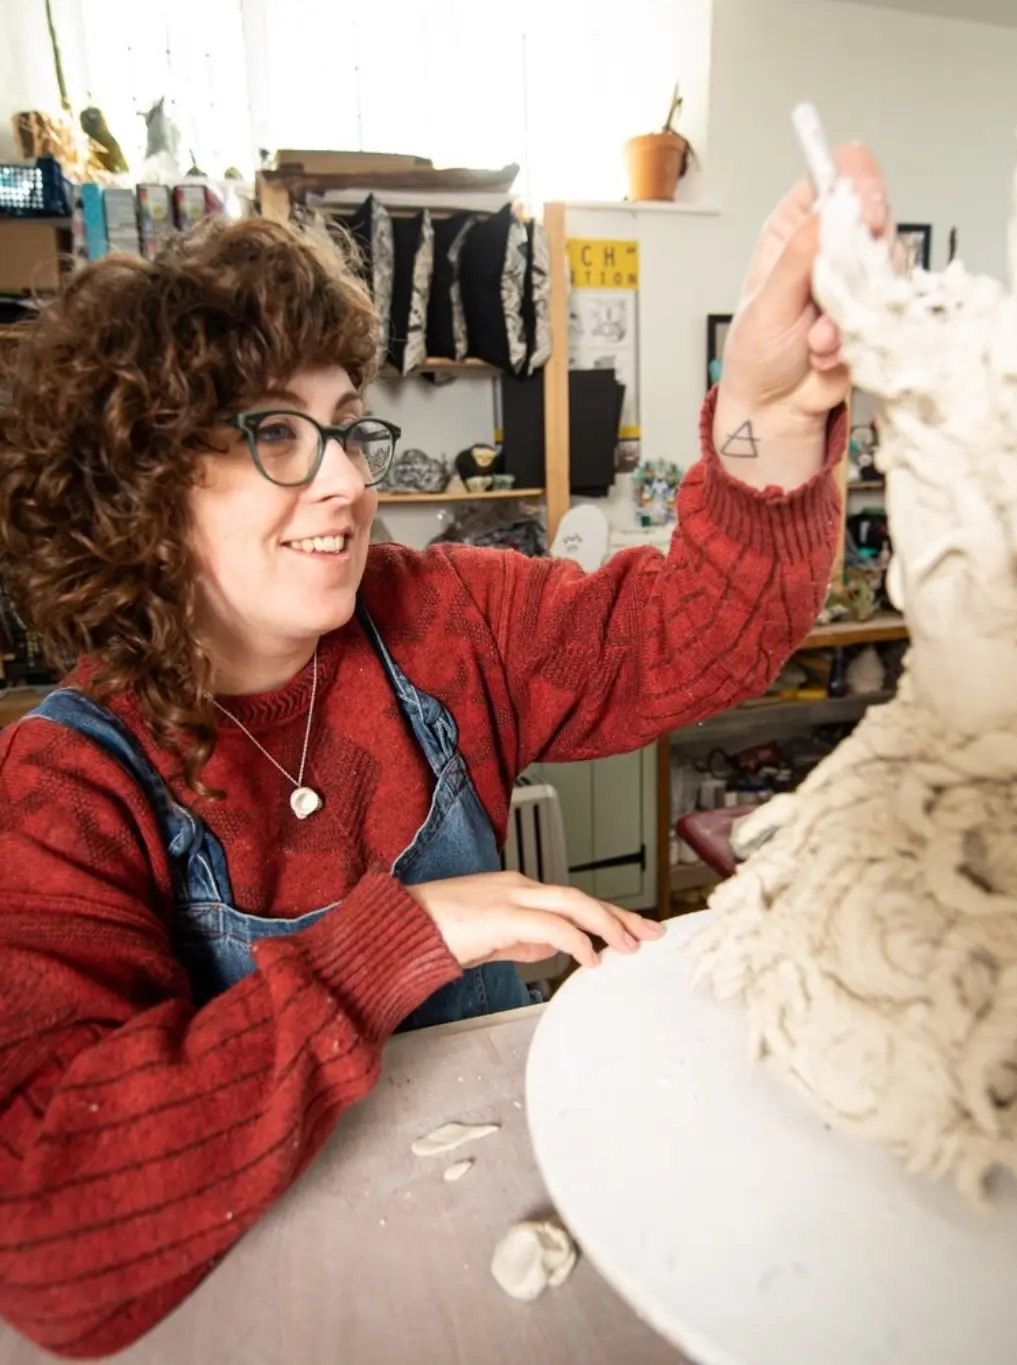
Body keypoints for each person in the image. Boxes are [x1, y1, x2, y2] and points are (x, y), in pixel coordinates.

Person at [0, 144, 888, 1357]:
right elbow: (49, 1237)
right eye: (276, 433)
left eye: (348, 430)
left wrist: (769, 412)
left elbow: (697, 639)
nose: (349, 483)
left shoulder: (440, 621)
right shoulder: (70, 785)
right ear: (140, 482)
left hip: (487, 1215)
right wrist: (396, 942)